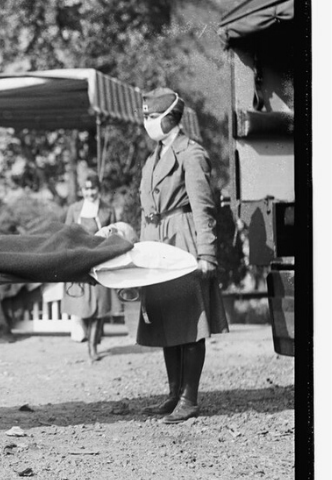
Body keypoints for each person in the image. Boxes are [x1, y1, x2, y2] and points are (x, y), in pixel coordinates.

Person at [137, 88, 228, 423]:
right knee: (165, 322)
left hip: (182, 241)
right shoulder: (154, 156)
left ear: (169, 118)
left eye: (151, 117)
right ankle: (174, 394)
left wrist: (207, 254)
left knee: (189, 323)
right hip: (156, 242)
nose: (146, 122)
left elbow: (203, 206)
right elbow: (146, 208)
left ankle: (189, 400)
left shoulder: (191, 153)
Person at [61, 172, 117, 361]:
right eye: (86, 189)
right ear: (81, 190)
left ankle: (92, 347)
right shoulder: (74, 209)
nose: (90, 193)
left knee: (100, 306)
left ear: (98, 190)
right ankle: (90, 335)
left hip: (100, 261)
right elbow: (65, 235)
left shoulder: (107, 210)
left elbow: (115, 236)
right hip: (79, 262)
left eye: (93, 189)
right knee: (82, 305)